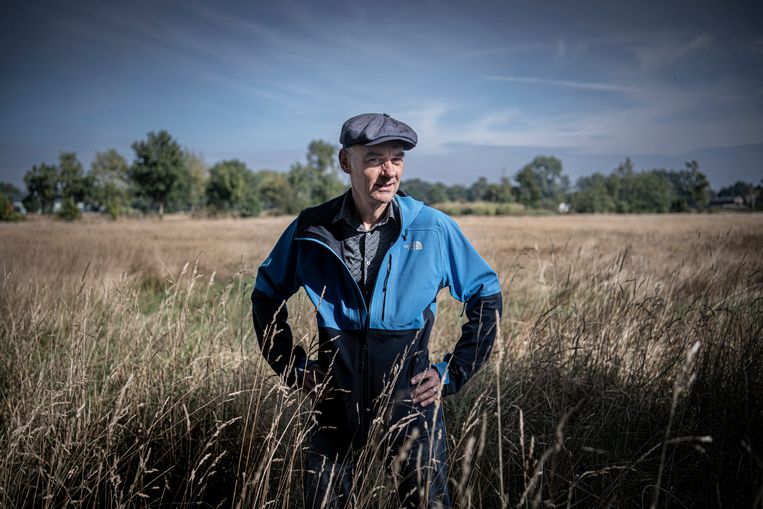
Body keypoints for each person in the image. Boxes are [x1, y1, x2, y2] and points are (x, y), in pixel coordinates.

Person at [252, 113, 502, 508]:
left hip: (411, 405)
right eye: (374, 159)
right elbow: (265, 294)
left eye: (397, 158)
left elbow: (486, 294)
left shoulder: (431, 228)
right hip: (333, 405)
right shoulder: (311, 228)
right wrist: (294, 368)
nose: (389, 172)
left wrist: (452, 372)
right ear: (345, 162)